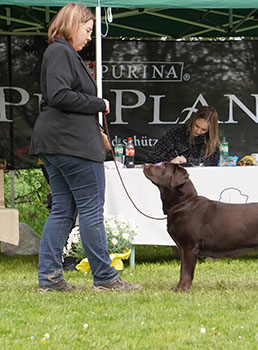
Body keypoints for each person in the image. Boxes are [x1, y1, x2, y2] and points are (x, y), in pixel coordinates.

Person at [29, 3, 141, 292]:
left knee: (63, 210)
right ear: (72, 25)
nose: (90, 37)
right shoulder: (61, 51)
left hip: (58, 143)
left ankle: (50, 280)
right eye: (88, 30)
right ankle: (105, 278)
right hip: (71, 145)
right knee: (91, 210)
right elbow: (59, 95)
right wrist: (99, 104)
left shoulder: (60, 52)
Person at [148, 106, 220, 166]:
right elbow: (153, 157)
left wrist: (188, 161)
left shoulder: (211, 141)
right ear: (193, 120)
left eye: (203, 129)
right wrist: (170, 162)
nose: (198, 131)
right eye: (196, 126)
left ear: (210, 130)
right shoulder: (176, 134)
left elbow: (213, 161)